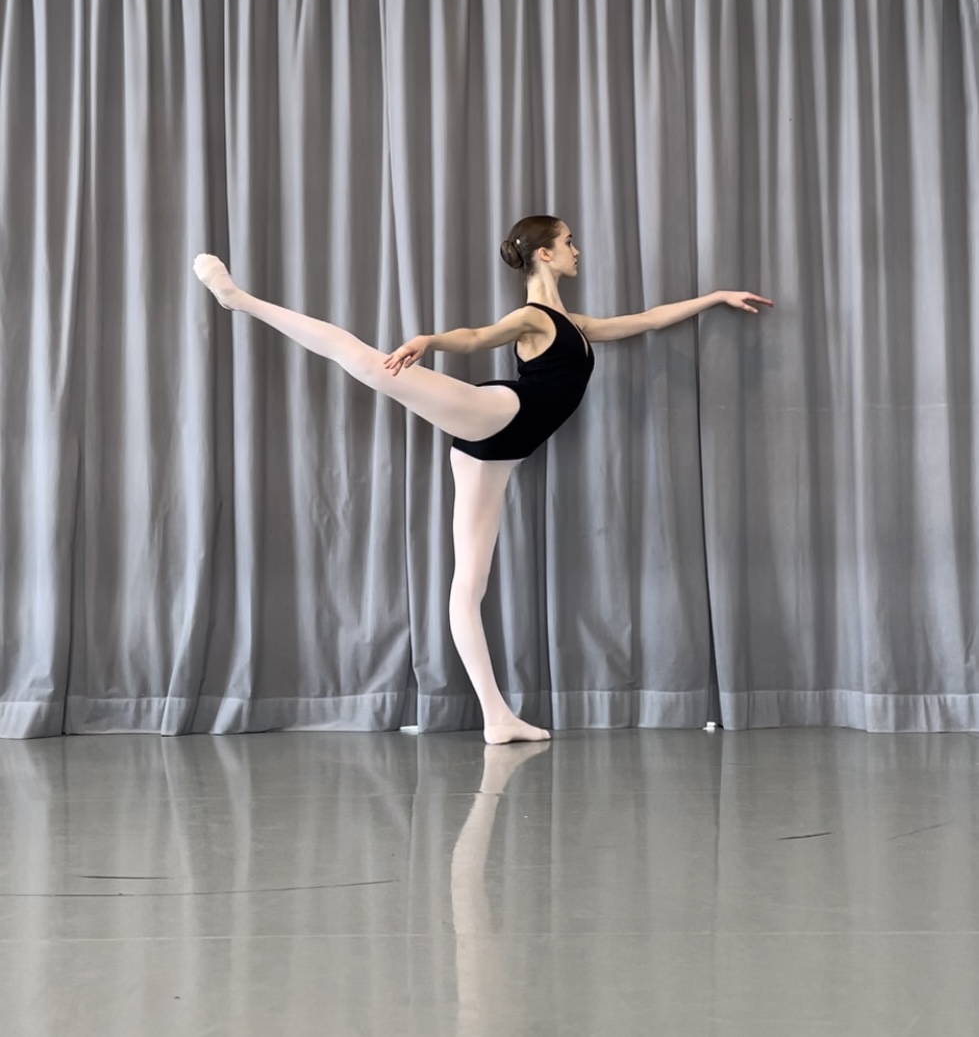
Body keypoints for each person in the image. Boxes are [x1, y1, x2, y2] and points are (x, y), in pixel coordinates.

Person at [193, 214, 772, 743]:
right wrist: (430, 341)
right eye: (568, 241)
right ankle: (239, 300)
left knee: (469, 585)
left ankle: (497, 718)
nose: (577, 250)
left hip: (498, 453)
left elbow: (646, 319)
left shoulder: (576, 324)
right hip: (500, 414)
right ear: (545, 254)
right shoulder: (533, 317)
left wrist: (716, 297)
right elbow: (475, 337)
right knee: (370, 364)